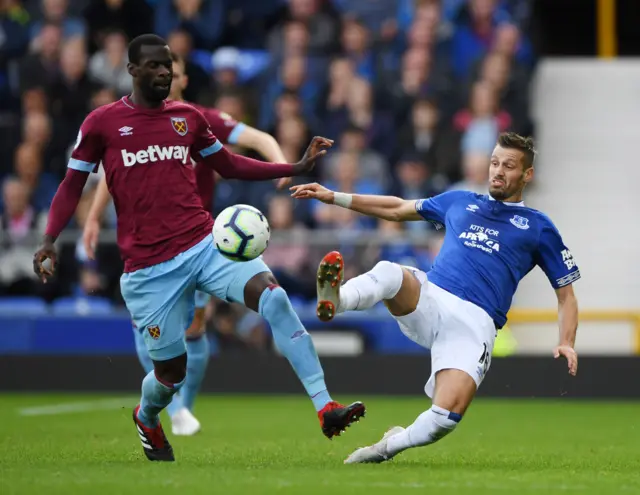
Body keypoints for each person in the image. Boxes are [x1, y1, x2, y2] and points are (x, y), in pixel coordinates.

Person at [33, 34, 365, 463]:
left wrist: (293, 166)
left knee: (274, 297)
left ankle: (325, 407)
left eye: (167, 65)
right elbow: (72, 183)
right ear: (132, 70)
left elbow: (229, 163)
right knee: (170, 373)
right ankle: (147, 417)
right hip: (149, 270)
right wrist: (48, 239)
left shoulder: (188, 118)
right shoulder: (102, 123)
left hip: (204, 245)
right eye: (153, 65)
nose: (163, 72)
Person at [290, 132, 580, 464]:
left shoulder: (538, 227)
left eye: (509, 166)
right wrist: (334, 197)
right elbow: (398, 208)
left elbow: (566, 294)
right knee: (390, 272)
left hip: (474, 325)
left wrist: (567, 341)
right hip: (431, 299)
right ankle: (336, 300)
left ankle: (387, 446)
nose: (498, 171)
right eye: (494, 162)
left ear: (527, 175)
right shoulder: (460, 201)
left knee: (444, 419)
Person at [82, 52, 292, 437]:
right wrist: (94, 216)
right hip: (148, 244)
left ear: (183, 80)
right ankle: (170, 405)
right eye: (159, 71)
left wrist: (280, 163)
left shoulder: (198, 118)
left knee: (195, 326)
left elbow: (257, 137)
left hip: (199, 242)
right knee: (160, 331)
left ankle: (184, 408)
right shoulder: (134, 123)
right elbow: (115, 173)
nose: (166, 78)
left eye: (173, 73)